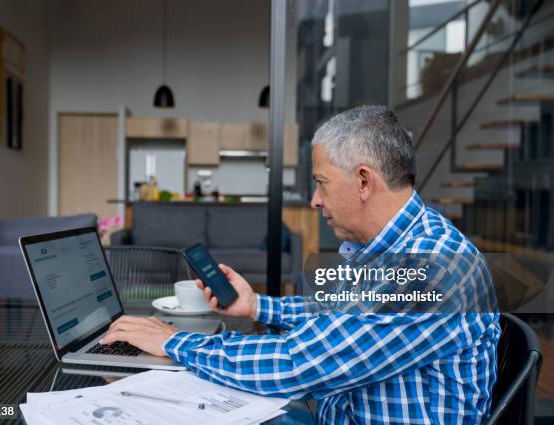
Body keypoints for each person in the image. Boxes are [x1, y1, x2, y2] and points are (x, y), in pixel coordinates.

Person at [101, 105, 500, 424]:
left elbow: (298, 363)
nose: (314, 200)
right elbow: (342, 317)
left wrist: (173, 341)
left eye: (321, 182)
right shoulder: (399, 246)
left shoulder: (430, 269)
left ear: (364, 181)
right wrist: (256, 306)